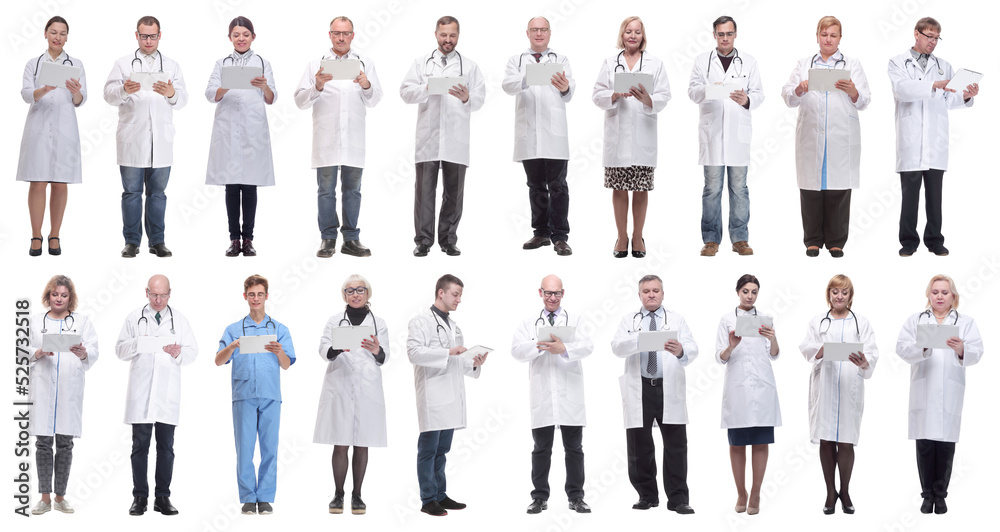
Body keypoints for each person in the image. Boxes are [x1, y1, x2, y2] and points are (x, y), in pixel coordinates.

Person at [888, 17, 979, 257]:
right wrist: (934, 84)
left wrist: (967, 96)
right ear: (916, 34)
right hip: (911, 141)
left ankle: (935, 240)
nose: (933, 42)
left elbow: (950, 99)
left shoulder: (944, 65)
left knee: (934, 197)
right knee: (910, 197)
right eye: (929, 36)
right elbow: (903, 90)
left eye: (937, 38)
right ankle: (908, 241)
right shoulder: (898, 62)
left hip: (935, 142)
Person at [781, 16, 870, 258]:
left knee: (838, 192)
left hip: (840, 136)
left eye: (833, 35)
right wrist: (799, 88)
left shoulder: (852, 63)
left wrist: (853, 91)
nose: (828, 39)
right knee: (811, 190)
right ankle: (812, 240)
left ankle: (836, 241)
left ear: (840, 38)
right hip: (812, 134)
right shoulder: (803, 63)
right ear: (817, 36)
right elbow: (787, 96)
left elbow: (865, 100)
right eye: (824, 34)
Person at [295, 16, 383, 258]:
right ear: (330, 35)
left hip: (353, 139)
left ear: (353, 35)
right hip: (326, 140)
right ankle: (328, 239)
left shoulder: (365, 63)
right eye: (336, 33)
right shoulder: (316, 65)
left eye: (346, 33)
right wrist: (318, 86)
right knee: (326, 190)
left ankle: (351, 240)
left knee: (353, 190)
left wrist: (366, 84)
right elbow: (299, 101)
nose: (341, 37)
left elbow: (375, 100)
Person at [896, 275, 983, 515]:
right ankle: (927, 496)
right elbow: (901, 348)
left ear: (953, 296)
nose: (940, 296)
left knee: (945, 446)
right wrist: (922, 347)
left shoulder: (965, 322)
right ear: (928, 295)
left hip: (950, 390)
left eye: (945, 292)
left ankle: (941, 495)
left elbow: (977, 350)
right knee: (925, 445)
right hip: (924, 390)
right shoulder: (916, 320)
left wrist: (962, 348)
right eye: (935, 292)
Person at [400, 16, 486, 257]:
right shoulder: (421, 64)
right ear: (436, 34)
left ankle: (448, 240)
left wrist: (467, 96)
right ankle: (424, 241)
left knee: (453, 193)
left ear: (458, 36)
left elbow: (480, 98)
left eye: (452, 35)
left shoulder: (469, 66)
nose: (448, 40)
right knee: (424, 193)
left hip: (456, 140)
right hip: (428, 139)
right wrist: (426, 88)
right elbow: (405, 92)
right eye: (443, 35)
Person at [611, 274, 697, 514]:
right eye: (646, 291)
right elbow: (617, 347)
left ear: (662, 293)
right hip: (640, 387)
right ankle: (647, 495)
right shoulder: (629, 320)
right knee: (639, 446)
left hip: (668, 387)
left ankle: (678, 499)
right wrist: (641, 340)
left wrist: (681, 350)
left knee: (676, 446)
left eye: (655, 290)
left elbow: (692, 348)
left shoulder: (676, 319)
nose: (651, 295)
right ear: (639, 295)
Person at [104, 15, 188, 258]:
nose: (148, 40)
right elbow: (108, 95)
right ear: (136, 35)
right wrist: (123, 89)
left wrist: (172, 92)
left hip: (161, 140)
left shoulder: (172, 65)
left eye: (153, 36)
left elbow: (182, 100)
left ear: (160, 36)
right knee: (131, 193)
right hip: (132, 138)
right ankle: (132, 242)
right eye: (144, 36)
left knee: (157, 194)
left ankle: (157, 241)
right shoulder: (122, 63)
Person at [115, 274, 198, 516]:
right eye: (154, 294)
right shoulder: (134, 318)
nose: (158, 299)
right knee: (139, 447)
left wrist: (178, 352)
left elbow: (193, 352)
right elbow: (119, 350)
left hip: (167, 395)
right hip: (141, 394)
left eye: (163, 295)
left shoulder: (179, 320)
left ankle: (162, 498)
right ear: (146, 292)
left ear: (170, 293)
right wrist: (139, 343)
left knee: (166, 448)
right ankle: (139, 498)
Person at [511, 275, 594, 514]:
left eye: (556, 293)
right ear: (540, 293)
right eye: (548, 293)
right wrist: (540, 345)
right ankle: (539, 497)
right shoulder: (529, 323)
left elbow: (588, 346)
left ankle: (576, 497)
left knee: (574, 449)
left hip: (570, 396)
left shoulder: (575, 320)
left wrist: (564, 348)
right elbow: (516, 350)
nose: (552, 297)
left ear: (563, 294)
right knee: (541, 449)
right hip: (543, 396)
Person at [407, 274, 488, 516]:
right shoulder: (420, 321)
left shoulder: (455, 327)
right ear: (440, 293)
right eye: (455, 294)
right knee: (428, 450)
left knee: (442, 451)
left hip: (451, 398)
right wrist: (447, 351)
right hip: (432, 397)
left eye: (460, 295)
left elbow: (459, 363)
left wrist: (474, 362)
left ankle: (440, 494)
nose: (459, 299)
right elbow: (414, 353)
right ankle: (428, 499)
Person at [215, 274, 296, 515]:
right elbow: (219, 361)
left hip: (271, 395)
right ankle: (249, 497)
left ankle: (266, 496)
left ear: (267, 296)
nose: (256, 298)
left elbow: (286, 364)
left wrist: (280, 351)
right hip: (244, 395)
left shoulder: (279, 329)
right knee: (245, 449)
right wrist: (232, 346)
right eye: (252, 294)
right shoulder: (233, 329)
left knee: (270, 448)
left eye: (260, 294)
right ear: (245, 296)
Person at [798, 274, 878, 514]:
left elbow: (872, 352)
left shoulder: (860, 322)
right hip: (825, 385)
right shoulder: (818, 321)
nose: (839, 296)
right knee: (826, 439)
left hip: (850, 385)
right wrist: (820, 350)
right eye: (835, 292)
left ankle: (845, 490)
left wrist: (865, 361)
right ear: (829, 294)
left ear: (850, 296)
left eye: (844, 292)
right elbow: (806, 347)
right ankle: (830, 493)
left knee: (846, 440)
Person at [592, 16, 670, 259]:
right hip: (618, 136)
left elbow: (665, 95)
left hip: (643, 135)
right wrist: (614, 95)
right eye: (628, 32)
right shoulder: (609, 62)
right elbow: (597, 95)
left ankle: (638, 236)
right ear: (622, 35)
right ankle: (621, 236)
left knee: (640, 188)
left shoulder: (655, 64)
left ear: (643, 36)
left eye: (637, 32)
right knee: (618, 188)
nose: (632, 36)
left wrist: (649, 99)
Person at [687, 16, 763, 257]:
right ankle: (711, 239)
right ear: (714, 35)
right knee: (711, 189)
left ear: (736, 34)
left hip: (738, 137)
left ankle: (740, 238)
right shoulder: (702, 62)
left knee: (739, 189)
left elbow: (759, 93)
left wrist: (748, 100)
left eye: (729, 34)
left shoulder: (749, 62)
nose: (725, 38)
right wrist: (710, 89)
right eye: (721, 34)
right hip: (712, 136)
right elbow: (692, 91)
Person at [314, 274, 389, 515]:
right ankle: (338, 494)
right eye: (350, 290)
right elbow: (323, 349)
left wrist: (377, 350)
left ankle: (358, 495)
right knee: (340, 442)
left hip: (367, 387)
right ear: (344, 295)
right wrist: (337, 348)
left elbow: (384, 356)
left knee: (362, 442)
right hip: (340, 383)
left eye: (360, 289)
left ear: (368, 293)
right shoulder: (335, 320)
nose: (355, 294)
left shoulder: (379, 322)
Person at [502, 17, 575, 256]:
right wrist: (527, 78)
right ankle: (541, 232)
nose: (539, 33)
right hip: (529, 134)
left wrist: (565, 86)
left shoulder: (560, 60)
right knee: (535, 186)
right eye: (535, 29)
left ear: (550, 33)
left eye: (543, 29)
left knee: (558, 187)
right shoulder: (517, 61)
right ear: (528, 33)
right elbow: (507, 85)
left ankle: (560, 236)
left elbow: (569, 90)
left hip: (554, 135)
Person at [27, 275, 99, 515]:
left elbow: (93, 350)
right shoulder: (36, 321)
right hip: (44, 389)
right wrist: (38, 351)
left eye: (64, 295)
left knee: (65, 445)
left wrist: (82, 352)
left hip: (69, 391)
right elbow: (19, 350)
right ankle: (45, 498)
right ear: (48, 296)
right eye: (55, 294)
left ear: (71, 298)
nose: (59, 298)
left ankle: (60, 497)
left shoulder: (82, 322)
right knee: (43, 444)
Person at [206, 16, 276, 257]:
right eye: (236, 35)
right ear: (230, 38)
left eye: (245, 34)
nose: (241, 38)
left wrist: (264, 86)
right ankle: (234, 240)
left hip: (253, 131)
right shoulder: (221, 63)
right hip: (227, 131)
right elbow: (210, 94)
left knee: (249, 185)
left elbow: (271, 96)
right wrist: (225, 84)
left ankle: (249, 240)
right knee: (231, 186)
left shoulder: (263, 63)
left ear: (253, 37)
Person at [17, 16, 86, 257]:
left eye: (63, 33)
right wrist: (44, 88)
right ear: (45, 33)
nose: (58, 37)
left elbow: (80, 100)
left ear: (67, 36)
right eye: (54, 32)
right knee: (37, 181)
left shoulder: (75, 63)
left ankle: (54, 234)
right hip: (38, 127)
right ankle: (36, 234)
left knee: (59, 182)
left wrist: (76, 92)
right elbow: (26, 94)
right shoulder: (34, 64)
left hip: (65, 129)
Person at [716, 274, 779, 515]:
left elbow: (773, 355)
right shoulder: (726, 320)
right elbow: (719, 357)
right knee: (738, 443)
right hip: (738, 388)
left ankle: (755, 492)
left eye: (754, 292)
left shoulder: (765, 320)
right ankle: (741, 492)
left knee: (761, 441)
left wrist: (773, 338)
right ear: (738, 292)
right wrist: (731, 346)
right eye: (745, 291)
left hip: (763, 387)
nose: (750, 296)